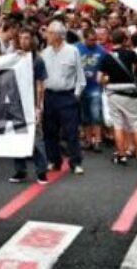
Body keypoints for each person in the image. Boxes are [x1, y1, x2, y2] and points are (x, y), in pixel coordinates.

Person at [98, 30, 137, 167]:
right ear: (125, 40)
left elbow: (99, 78)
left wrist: (108, 78)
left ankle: (121, 155)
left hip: (113, 93)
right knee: (136, 125)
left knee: (118, 125)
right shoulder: (130, 53)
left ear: (111, 40)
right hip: (129, 92)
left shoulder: (106, 56)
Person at [41, 21, 85, 175]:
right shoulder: (45, 52)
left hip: (67, 96)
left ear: (59, 36)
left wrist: (77, 94)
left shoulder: (72, 51)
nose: (47, 35)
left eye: (50, 33)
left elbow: (80, 76)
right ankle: (53, 160)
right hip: (49, 96)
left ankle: (76, 162)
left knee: (71, 131)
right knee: (49, 131)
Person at [9, 28, 49, 184]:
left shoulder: (37, 60)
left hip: (31, 103)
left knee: (37, 139)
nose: (24, 41)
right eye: (21, 38)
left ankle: (41, 171)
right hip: (16, 103)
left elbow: (40, 84)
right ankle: (20, 170)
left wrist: (38, 106)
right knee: (17, 138)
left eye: (27, 38)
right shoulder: (14, 58)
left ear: (32, 40)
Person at [76, 27, 106, 153]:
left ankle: (97, 141)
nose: (93, 42)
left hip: (95, 87)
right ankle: (88, 140)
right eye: (91, 40)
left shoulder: (101, 50)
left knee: (96, 115)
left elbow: (105, 67)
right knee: (85, 116)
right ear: (84, 38)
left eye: (95, 39)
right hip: (81, 87)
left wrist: (103, 78)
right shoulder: (76, 49)